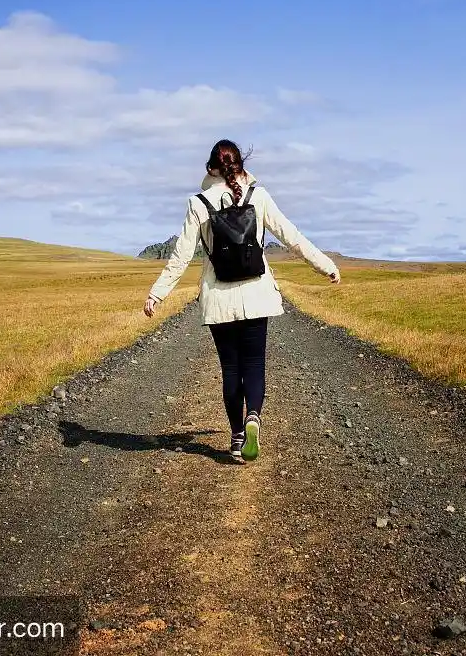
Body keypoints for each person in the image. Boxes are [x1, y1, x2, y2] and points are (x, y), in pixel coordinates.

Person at [143, 140, 340, 462]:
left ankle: (236, 437)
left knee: (231, 368)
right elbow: (291, 237)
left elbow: (180, 255)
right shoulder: (258, 196)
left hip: (219, 298)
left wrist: (157, 293)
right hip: (256, 294)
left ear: (210, 168)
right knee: (254, 363)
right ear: (240, 164)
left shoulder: (198, 203)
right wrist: (326, 266)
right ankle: (254, 417)